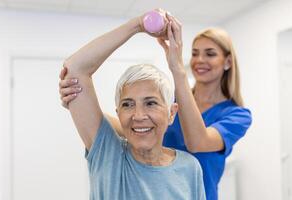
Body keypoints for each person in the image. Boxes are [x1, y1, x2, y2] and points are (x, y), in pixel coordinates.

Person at [59, 13, 252, 200]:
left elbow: (196, 142)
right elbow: (131, 126)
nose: (200, 60)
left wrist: (177, 68)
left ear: (171, 113)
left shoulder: (234, 117)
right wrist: (81, 106)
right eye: (194, 53)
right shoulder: (111, 158)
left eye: (151, 103)